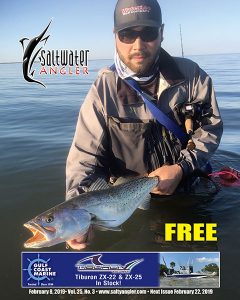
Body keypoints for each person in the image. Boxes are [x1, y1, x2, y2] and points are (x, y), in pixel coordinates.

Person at [65, 0, 223, 249]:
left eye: (148, 33)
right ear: (115, 36)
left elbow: (210, 127)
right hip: (123, 206)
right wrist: (77, 220)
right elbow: (83, 160)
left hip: (187, 193)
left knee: (197, 272)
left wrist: (182, 168)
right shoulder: (102, 91)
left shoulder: (193, 77)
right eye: (127, 34)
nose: (138, 45)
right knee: (132, 276)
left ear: (161, 32)